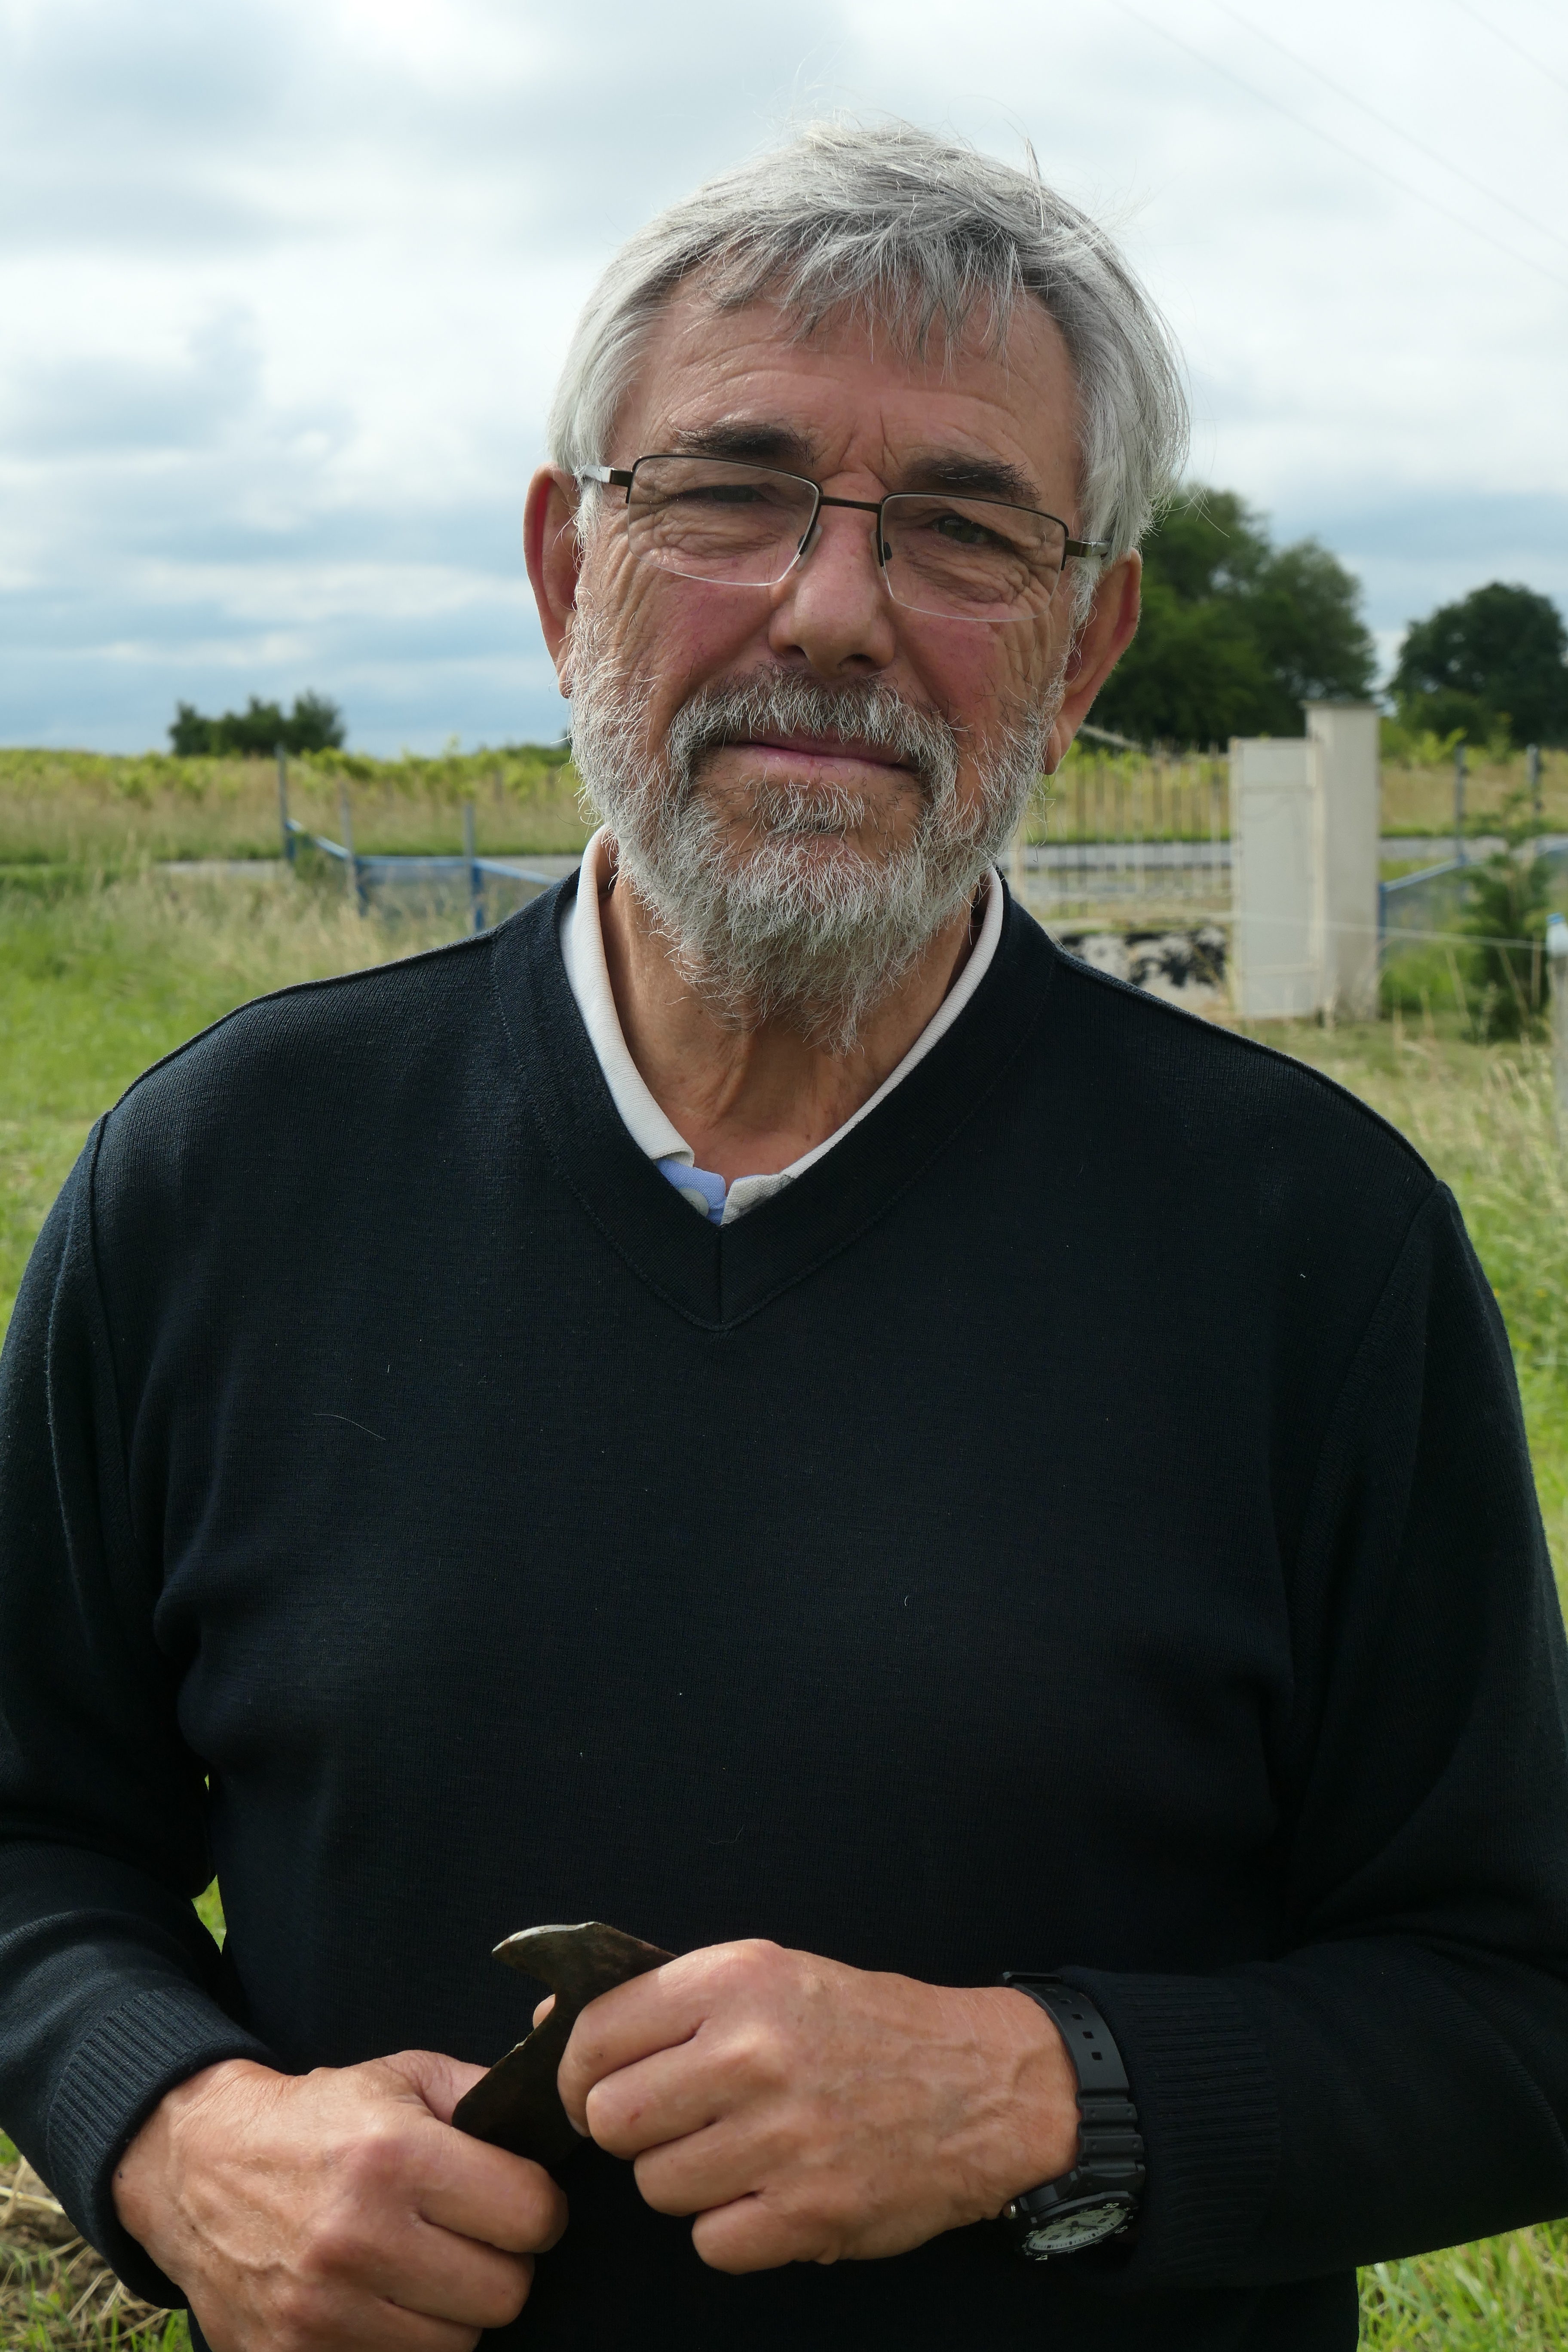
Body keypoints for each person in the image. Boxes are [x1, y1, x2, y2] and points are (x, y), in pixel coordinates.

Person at [1, 120, 1566, 2352]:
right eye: (726, 493)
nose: (833, 610)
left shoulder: (1317, 1245)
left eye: (961, 527)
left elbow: (1517, 2012)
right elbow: (29, 1836)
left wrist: (1045, 2093)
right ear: (566, 571)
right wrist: (160, 2126)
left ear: (1089, 636)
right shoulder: (219, 1172)